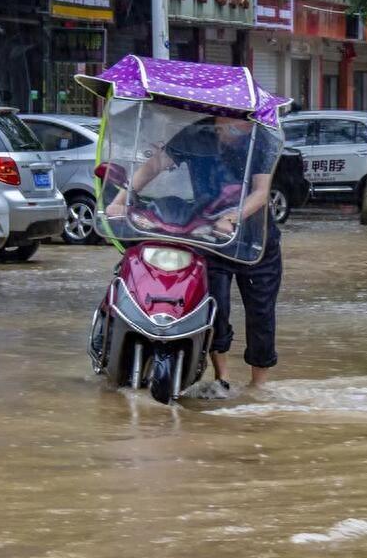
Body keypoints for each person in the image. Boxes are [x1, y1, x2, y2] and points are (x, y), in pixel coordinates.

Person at [107, 115, 282, 391]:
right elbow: (155, 165)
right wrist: (120, 200)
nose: (228, 131)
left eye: (236, 126)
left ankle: (258, 387)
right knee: (215, 309)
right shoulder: (197, 133)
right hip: (209, 234)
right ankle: (221, 378)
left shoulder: (262, 140)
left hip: (256, 240)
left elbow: (260, 193)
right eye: (223, 125)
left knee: (261, 314)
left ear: (249, 122)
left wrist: (233, 219)